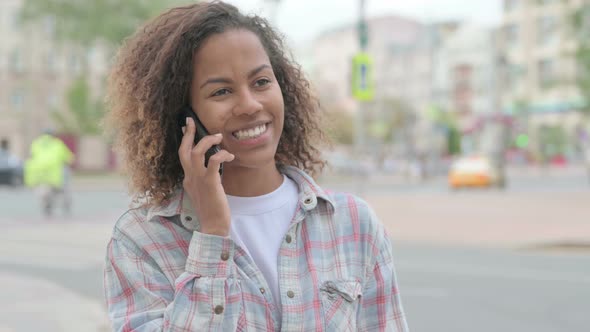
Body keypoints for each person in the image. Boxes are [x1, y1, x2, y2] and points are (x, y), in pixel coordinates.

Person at [103, 2, 408, 331]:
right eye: (221, 91)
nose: (250, 104)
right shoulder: (141, 240)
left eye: (261, 82)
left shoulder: (353, 224)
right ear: (183, 118)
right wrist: (213, 235)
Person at [24, 129, 74, 217]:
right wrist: (70, 160)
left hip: (39, 174)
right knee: (64, 188)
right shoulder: (57, 144)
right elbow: (68, 158)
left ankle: (47, 205)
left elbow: (31, 156)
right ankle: (66, 203)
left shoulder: (36, 143)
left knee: (43, 190)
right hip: (55, 174)